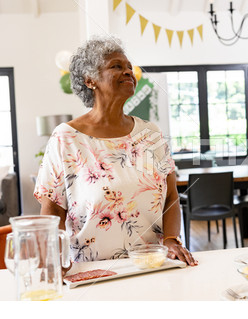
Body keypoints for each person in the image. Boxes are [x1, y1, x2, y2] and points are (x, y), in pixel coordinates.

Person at [34, 35, 197, 266]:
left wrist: (171, 239)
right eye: (117, 66)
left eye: (130, 67)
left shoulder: (151, 133)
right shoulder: (66, 137)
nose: (129, 72)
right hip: (91, 269)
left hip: (152, 264)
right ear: (90, 80)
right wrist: (54, 259)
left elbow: (171, 197)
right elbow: (52, 211)